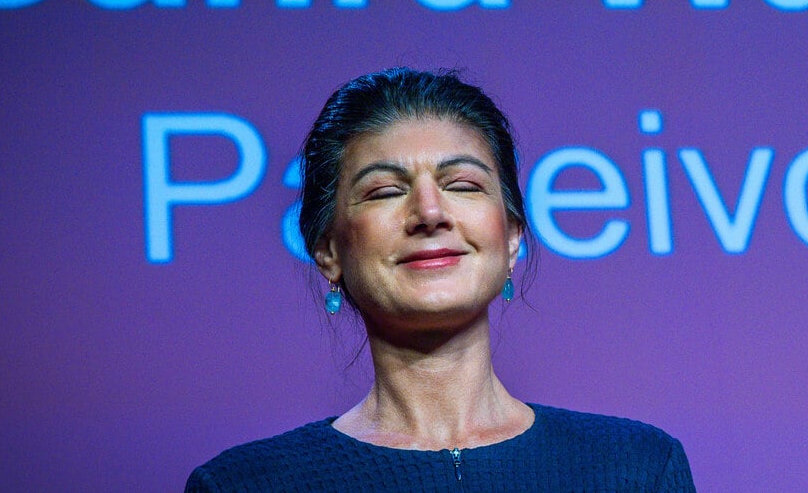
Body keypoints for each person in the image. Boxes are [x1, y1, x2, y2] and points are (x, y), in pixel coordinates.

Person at [185, 67, 696, 492]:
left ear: (512, 236)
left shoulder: (637, 469)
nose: (430, 212)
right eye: (384, 190)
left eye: (462, 185)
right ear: (328, 250)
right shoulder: (245, 485)